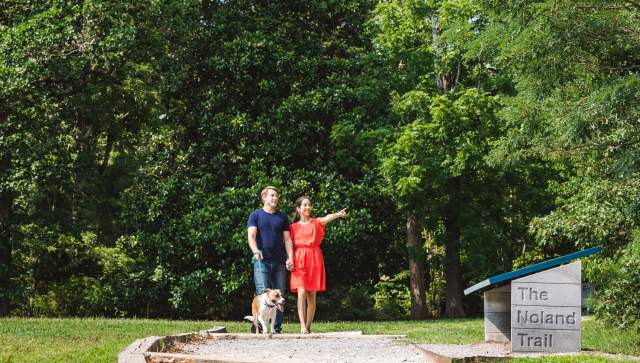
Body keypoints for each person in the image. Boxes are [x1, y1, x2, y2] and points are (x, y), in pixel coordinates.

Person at [290, 196, 347, 334]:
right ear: (298, 209)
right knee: (301, 291)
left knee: (311, 295)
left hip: (314, 258)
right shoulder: (292, 227)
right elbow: (289, 245)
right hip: (299, 259)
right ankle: (302, 326)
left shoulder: (316, 222)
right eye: (304, 205)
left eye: (309, 205)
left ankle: (308, 326)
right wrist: (289, 260)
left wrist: (338, 215)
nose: (308, 207)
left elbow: (327, 217)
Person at [247, 186, 294, 333]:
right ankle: (260, 326)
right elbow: (251, 236)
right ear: (264, 197)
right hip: (262, 261)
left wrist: (290, 258)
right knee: (262, 293)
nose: (275, 198)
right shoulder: (256, 215)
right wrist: (255, 251)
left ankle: (276, 328)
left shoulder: (282, 217)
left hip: (279, 262)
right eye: (271, 195)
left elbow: (287, 240)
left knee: (279, 297)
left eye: (276, 196)